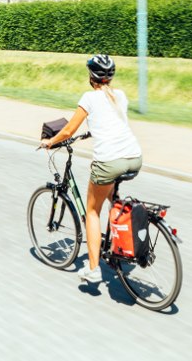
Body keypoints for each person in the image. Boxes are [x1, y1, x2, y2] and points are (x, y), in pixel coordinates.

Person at [40, 54, 143, 283]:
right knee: (111, 199)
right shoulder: (120, 96)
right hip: (134, 157)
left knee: (92, 212)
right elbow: (110, 123)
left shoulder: (89, 97)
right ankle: (119, 240)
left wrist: (50, 141)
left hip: (109, 162)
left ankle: (94, 269)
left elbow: (68, 131)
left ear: (91, 76)